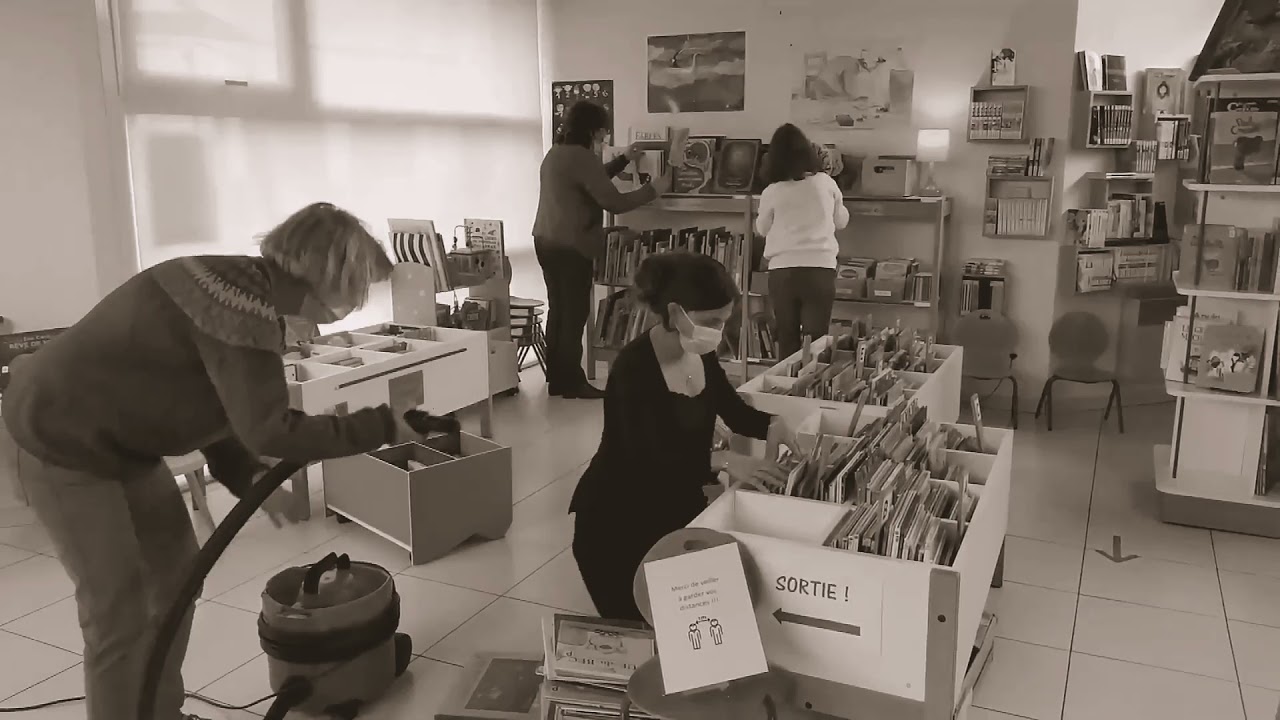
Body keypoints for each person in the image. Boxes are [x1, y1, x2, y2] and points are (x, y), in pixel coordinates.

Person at [0, 202, 428, 720]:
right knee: (117, 610)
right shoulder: (239, 304)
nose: (356, 302)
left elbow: (205, 399)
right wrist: (382, 424)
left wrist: (243, 475)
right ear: (326, 273)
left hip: (124, 441)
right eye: (357, 285)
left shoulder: (244, 293)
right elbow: (269, 427)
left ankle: (160, 713)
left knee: (178, 579)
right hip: (58, 437)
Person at [569, 252, 793, 621]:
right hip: (615, 522)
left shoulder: (700, 356)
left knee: (681, 625)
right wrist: (722, 460)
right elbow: (644, 457)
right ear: (675, 313)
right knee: (638, 629)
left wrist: (773, 423)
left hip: (672, 513)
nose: (719, 333)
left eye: (724, 321)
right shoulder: (633, 368)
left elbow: (734, 411)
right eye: (711, 321)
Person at [532, 99, 670, 399]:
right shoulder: (583, 158)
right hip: (571, 244)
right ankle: (572, 383)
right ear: (594, 130)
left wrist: (623, 160)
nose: (604, 137)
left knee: (559, 309)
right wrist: (652, 190)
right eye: (603, 132)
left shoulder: (556, 153)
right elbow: (613, 202)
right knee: (575, 313)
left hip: (545, 240)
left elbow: (590, 181)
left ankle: (557, 380)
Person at [755, 123, 849, 359]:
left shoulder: (772, 191)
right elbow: (841, 221)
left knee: (786, 336)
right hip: (820, 269)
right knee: (816, 339)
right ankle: (811, 392)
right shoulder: (826, 183)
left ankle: (785, 388)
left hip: (782, 271)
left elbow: (762, 228)